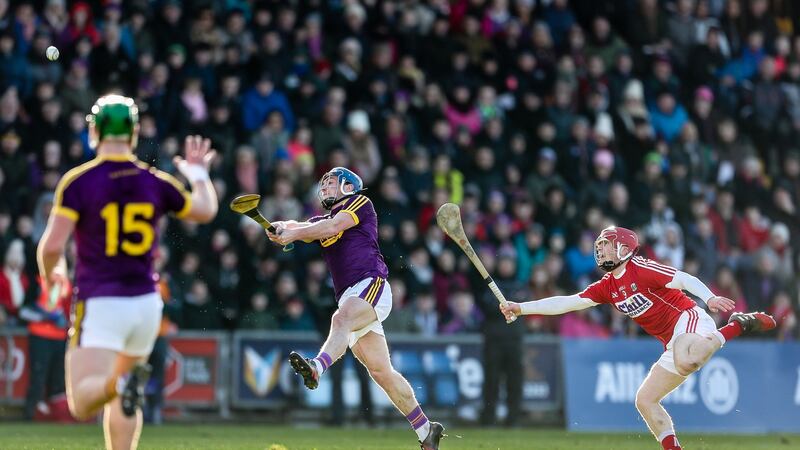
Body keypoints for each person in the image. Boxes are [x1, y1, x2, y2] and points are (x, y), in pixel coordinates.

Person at [37, 94, 218, 450]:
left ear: (95, 131)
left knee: (84, 401)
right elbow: (205, 210)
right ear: (133, 134)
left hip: (103, 300)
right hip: (146, 304)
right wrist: (198, 174)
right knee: (125, 391)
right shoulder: (154, 181)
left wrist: (51, 274)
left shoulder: (79, 182)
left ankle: (119, 384)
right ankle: (124, 386)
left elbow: (52, 247)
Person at [499, 226, 776, 450]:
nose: (601, 249)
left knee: (688, 358)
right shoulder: (607, 286)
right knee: (645, 399)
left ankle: (736, 325)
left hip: (688, 318)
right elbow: (568, 302)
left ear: (623, 248)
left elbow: (683, 279)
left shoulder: (641, 269)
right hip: (672, 341)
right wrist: (522, 308)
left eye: (606, 244)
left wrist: (710, 297)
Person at [267, 167, 445, 450]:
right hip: (351, 295)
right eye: (322, 183)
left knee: (341, 318)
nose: (324, 187)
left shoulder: (360, 203)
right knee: (381, 373)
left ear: (349, 187)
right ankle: (426, 429)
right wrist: (281, 227)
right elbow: (302, 225)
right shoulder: (322, 220)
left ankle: (316, 367)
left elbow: (330, 227)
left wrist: (293, 233)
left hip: (371, 285)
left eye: (330, 182)